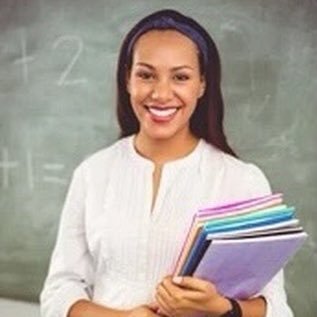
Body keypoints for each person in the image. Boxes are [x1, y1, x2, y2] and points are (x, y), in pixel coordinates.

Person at [40, 9, 294, 317]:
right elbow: (58, 293)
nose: (161, 94)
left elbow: (277, 309)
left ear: (202, 84)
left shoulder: (242, 180)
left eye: (181, 77)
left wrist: (221, 308)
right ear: (127, 79)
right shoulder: (93, 173)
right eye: (146, 75)